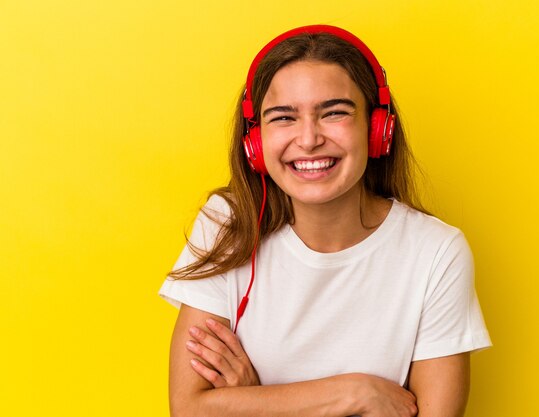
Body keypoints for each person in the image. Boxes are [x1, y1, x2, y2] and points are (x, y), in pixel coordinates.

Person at [159, 25, 491, 417]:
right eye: (283, 117)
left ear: (377, 129)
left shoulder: (436, 251)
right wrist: (354, 393)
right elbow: (191, 409)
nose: (309, 138)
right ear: (255, 143)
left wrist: (254, 400)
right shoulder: (228, 224)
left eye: (334, 112)